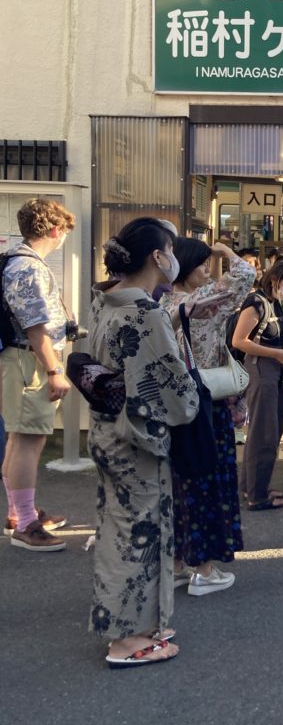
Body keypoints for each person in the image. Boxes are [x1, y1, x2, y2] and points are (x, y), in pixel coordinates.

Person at [88, 218, 199, 668]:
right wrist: (195, 397)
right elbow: (174, 390)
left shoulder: (106, 302)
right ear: (158, 256)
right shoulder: (146, 313)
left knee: (118, 526)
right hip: (138, 437)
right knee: (140, 532)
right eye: (169, 249)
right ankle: (128, 639)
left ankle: (130, 623)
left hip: (106, 430)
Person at [161, 237, 255, 594]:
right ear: (185, 267)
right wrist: (225, 251)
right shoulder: (200, 301)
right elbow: (245, 275)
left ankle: (178, 563)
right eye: (202, 263)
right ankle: (205, 568)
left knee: (179, 483)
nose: (207, 268)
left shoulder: (163, 303)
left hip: (175, 403)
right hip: (206, 402)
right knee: (208, 482)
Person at [1, 198, 76, 551]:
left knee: (21, 438)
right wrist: (54, 369)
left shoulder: (17, 261)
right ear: (55, 229)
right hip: (30, 360)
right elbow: (35, 326)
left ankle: (21, 511)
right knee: (29, 441)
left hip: (20, 359)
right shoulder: (29, 267)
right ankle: (26, 524)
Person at [233, 260, 283, 511]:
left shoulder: (275, 303)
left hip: (273, 370)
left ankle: (252, 487)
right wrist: (275, 354)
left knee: (270, 431)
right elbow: (239, 341)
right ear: (275, 280)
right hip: (261, 369)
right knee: (264, 433)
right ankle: (257, 495)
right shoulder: (257, 302)